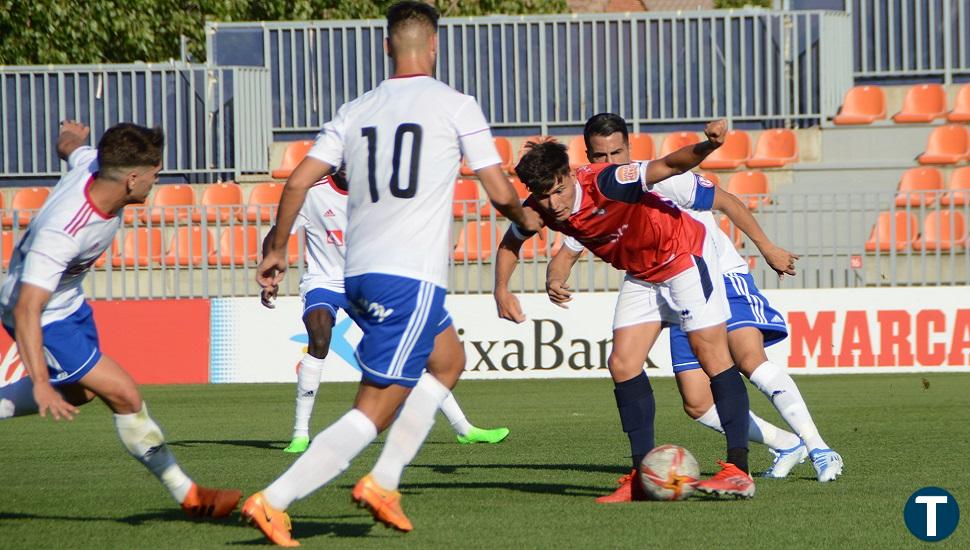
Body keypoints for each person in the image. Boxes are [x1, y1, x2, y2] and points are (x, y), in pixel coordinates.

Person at [242, 2, 540, 546]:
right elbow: (500, 191)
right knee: (373, 410)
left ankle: (384, 480)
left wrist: (276, 247)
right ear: (435, 47)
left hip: (357, 275)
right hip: (409, 277)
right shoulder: (455, 104)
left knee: (448, 359)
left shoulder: (355, 109)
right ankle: (276, 499)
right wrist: (529, 218)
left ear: (386, 47)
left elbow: (294, 184)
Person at [545, 114, 843, 493]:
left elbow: (727, 201)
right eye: (600, 156)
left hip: (717, 273)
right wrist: (555, 278)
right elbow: (567, 250)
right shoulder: (594, 196)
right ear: (587, 156)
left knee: (748, 359)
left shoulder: (660, 178)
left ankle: (820, 448)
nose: (609, 163)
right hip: (669, 289)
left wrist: (766, 248)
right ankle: (787, 445)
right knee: (697, 402)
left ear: (629, 148)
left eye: (616, 152)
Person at [494, 120, 763, 499]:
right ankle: (639, 477)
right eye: (543, 196)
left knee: (711, 353)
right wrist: (501, 289)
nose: (553, 204)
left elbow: (668, 165)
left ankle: (739, 471)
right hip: (642, 273)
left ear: (568, 175)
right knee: (622, 364)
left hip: (683, 254)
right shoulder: (539, 207)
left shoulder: (608, 181)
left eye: (558, 191)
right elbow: (510, 243)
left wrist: (708, 145)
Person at [0, 120, 241, 518]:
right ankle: (191, 496)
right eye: (154, 175)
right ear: (131, 179)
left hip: (69, 302)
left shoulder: (93, 163)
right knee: (125, 395)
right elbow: (27, 306)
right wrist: (39, 382)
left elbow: (70, 146)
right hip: (41, 313)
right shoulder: (63, 231)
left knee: (82, 393)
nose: (155, 182)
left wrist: (70, 134)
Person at [259, 170, 509, 454]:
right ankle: (300, 433)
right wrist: (270, 269)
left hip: (367, 284)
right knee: (319, 334)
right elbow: (276, 235)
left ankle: (465, 428)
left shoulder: (378, 193)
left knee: (415, 352)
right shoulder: (311, 192)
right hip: (324, 281)